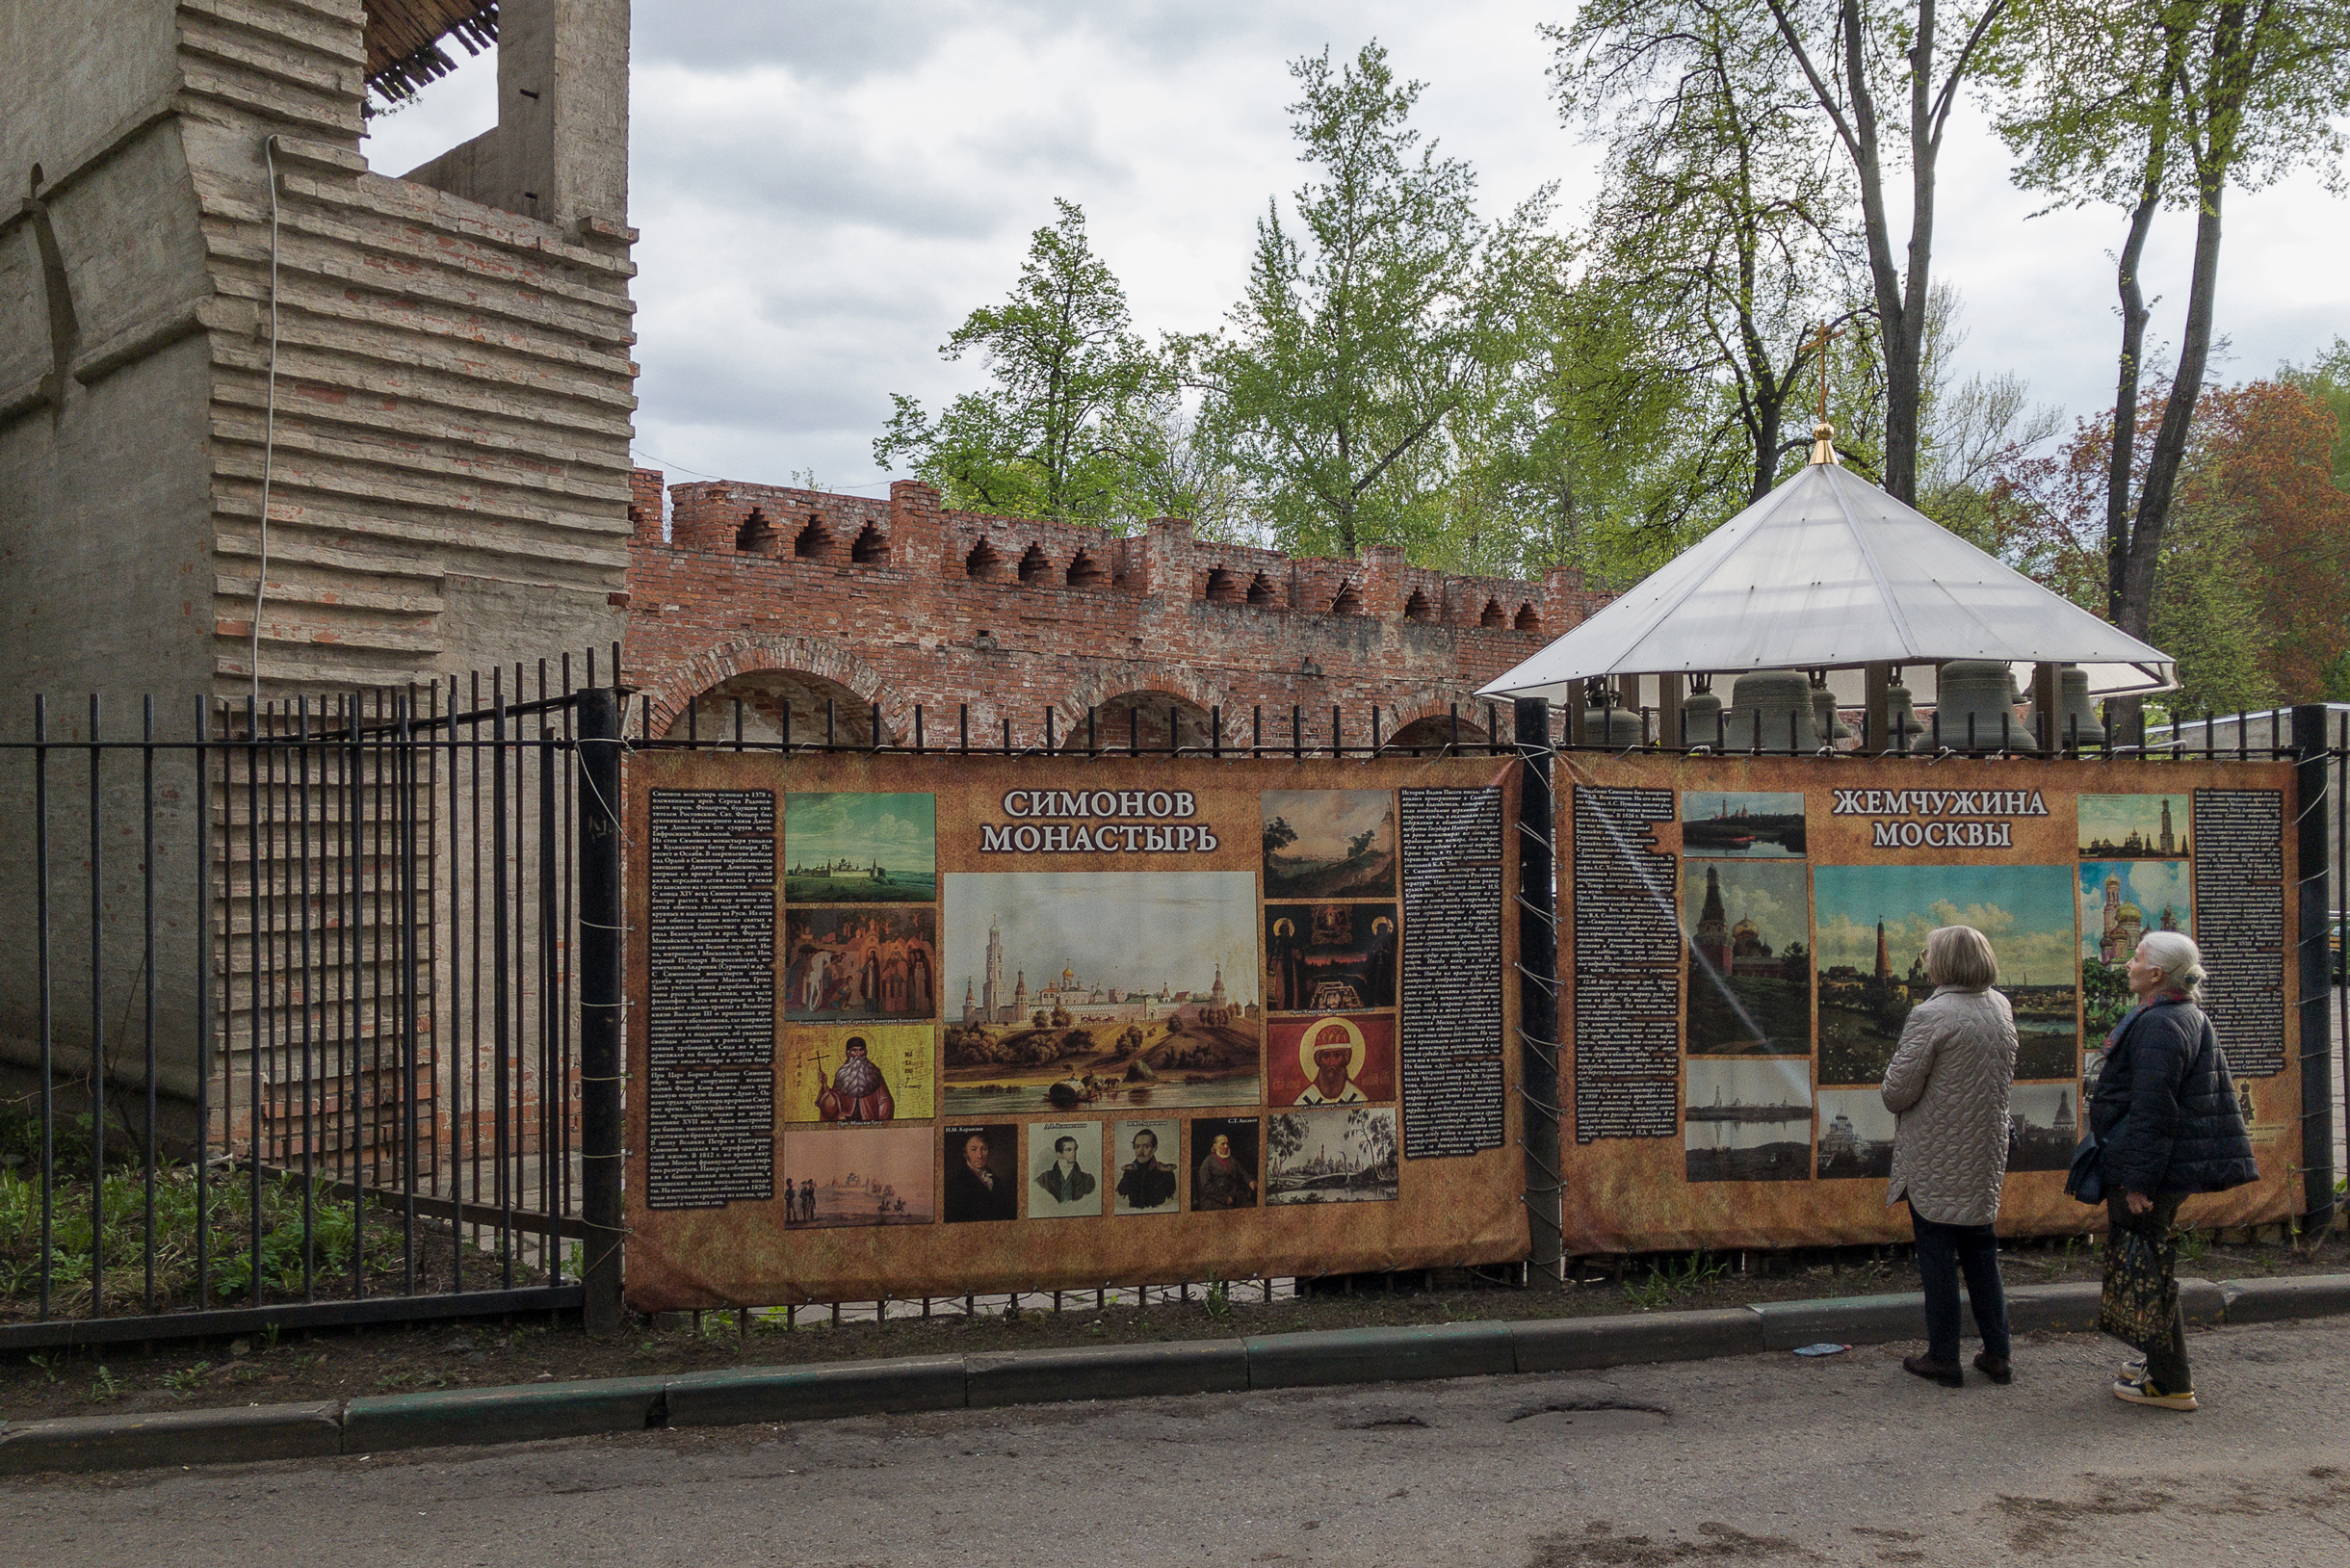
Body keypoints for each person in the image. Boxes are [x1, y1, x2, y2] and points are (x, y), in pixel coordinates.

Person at [2091, 930, 2259, 1412]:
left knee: (2148, 1266)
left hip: (2153, 1171)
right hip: (2166, 1163)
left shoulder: (2161, 1025)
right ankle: (2156, 1362)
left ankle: (2170, 1381)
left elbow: (2154, 1112)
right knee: (2146, 1259)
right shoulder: (2180, 1013)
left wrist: (2139, 1182)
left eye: (2137, 959)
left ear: (2157, 974)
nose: (2128, 965)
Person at [1881, 924, 2017, 1389]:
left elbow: (1897, 1093)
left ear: (1941, 963)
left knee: (1937, 1255)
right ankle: (1998, 1355)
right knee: (1981, 1251)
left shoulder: (1931, 1015)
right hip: (1983, 1152)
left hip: (1937, 1155)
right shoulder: (2000, 1006)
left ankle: (1943, 1357)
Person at [816, 1037, 895, 1122]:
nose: (858, 1054)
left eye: (861, 1050)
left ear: (865, 1052)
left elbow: (885, 1100)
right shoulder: (842, 1075)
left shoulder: (874, 1073)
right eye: (854, 1051)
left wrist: (882, 1123)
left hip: (870, 1120)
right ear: (848, 1053)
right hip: (846, 1122)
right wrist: (824, 1084)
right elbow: (832, 1107)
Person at [945, 1130, 1016, 1221]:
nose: (980, 1155)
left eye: (984, 1149)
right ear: (965, 1153)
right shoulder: (956, 1185)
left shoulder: (996, 1180)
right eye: (974, 1150)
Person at [1115, 1127, 1178, 1211]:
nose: (1140, 1151)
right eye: (1137, 1147)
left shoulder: (1165, 1172)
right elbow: (1121, 1193)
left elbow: (1171, 1202)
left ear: (1154, 1149)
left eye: (1146, 1147)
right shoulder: (1130, 1172)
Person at [1194, 1132, 1256, 1210]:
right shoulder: (1208, 1162)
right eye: (1223, 1144)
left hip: (1235, 1196)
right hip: (1214, 1200)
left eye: (1227, 1144)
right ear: (1215, 1146)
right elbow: (1206, 1186)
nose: (1226, 1146)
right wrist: (1224, 1198)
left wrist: (1250, 1181)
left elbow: (1242, 1173)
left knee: (1251, 1207)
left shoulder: (1232, 1160)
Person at [1033, 1135, 1097, 1207]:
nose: (1074, 1153)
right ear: (1059, 1154)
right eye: (1068, 1150)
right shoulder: (1044, 1179)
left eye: (1075, 1149)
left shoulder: (1087, 1179)